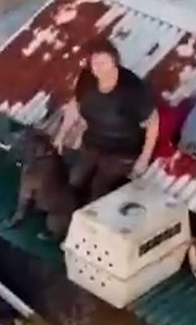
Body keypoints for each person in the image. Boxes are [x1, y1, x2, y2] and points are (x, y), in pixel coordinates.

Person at [54, 38, 159, 202]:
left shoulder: (132, 88)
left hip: (122, 152)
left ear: (114, 61)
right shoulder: (87, 79)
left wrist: (144, 159)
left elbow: (153, 121)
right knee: (74, 181)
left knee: (98, 191)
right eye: (95, 63)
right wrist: (61, 135)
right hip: (93, 144)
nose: (99, 68)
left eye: (103, 62)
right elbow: (75, 104)